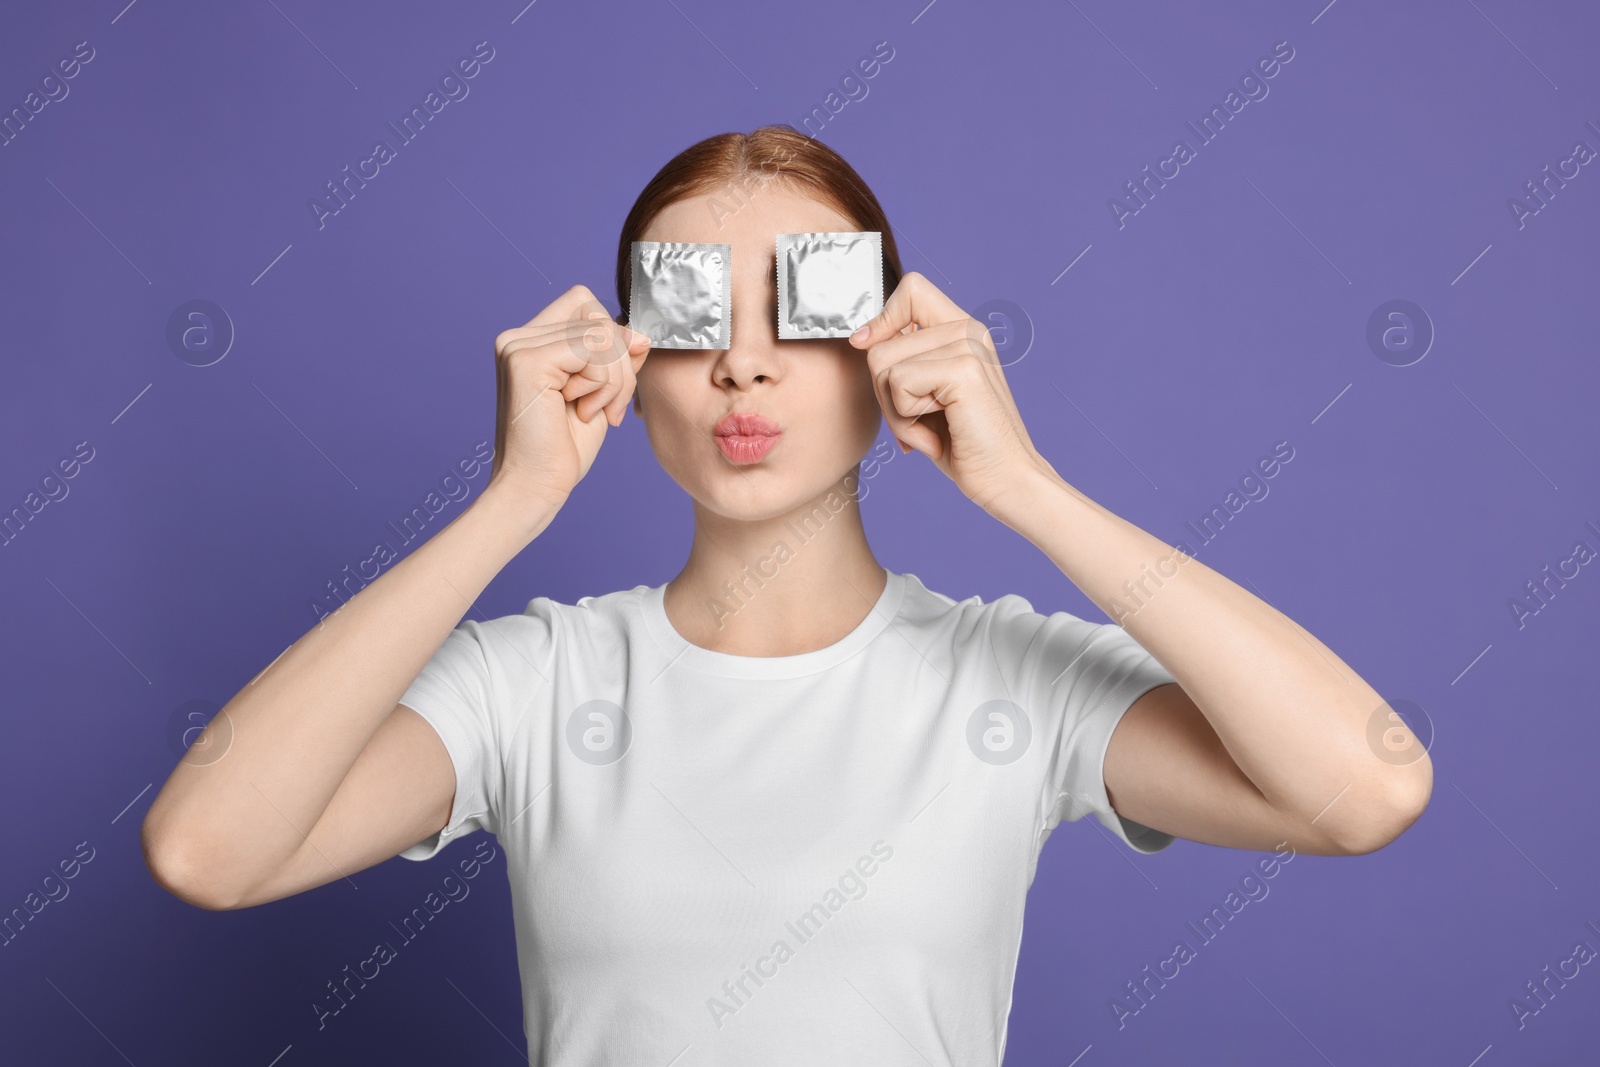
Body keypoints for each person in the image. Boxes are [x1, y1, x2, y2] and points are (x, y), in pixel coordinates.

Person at [141, 125, 1432, 1063]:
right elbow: (207, 851)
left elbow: (1366, 788)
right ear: (631, 366)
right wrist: (508, 510)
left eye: (801, 313)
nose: (745, 368)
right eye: (695, 319)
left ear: (885, 351)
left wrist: (1029, 488)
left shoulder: (1003, 683)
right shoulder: (536, 686)